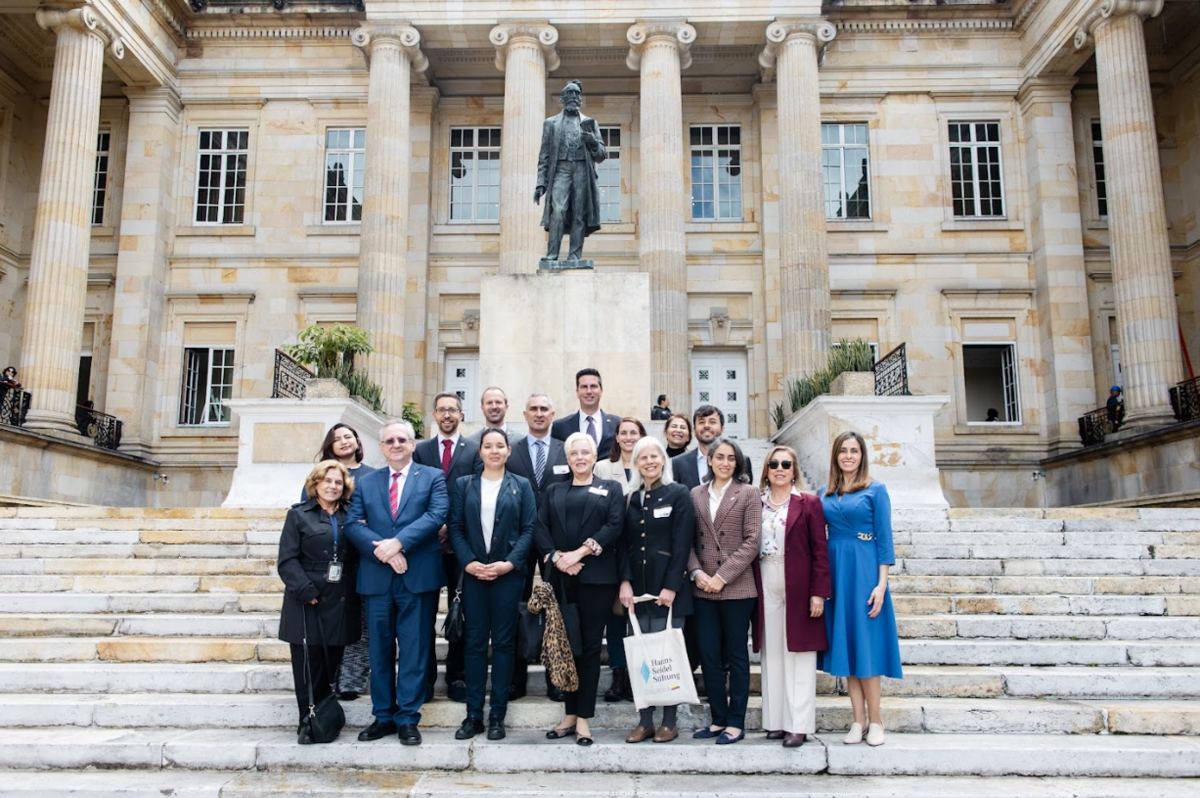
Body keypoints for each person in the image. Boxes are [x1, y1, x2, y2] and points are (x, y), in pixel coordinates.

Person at [346, 420, 449, 746]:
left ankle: (407, 717)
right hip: (377, 578)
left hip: (417, 577)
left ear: (413, 444)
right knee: (379, 650)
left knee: (414, 650)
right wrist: (387, 553)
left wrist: (399, 543)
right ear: (381, 447)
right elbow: (353, 523)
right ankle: (383, 715)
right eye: (389, 440)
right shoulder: (366, 482)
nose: (396, 445)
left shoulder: (432, 477)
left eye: (402, 439)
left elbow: (436, 516)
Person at [447, 428, 537, 741]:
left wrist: (509, 563)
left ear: (508, 451)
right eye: (488, 446)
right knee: (474, 644)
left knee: (503, 644)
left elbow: (529, 529)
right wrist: (468, 562)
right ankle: (473, 715)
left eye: (500, 446)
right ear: (480, 451)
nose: (494, 451)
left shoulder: (521, 485)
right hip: (473, 576)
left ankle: (497, 714)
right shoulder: (464, 484)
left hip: (507, 576)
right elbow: (455, 528)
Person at [536, 432, 624, 746]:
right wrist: (558, 558)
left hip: (596, 580)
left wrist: (579, 553)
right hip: (562, 580)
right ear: (568, 458)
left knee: (588, 648)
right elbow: (540, 527)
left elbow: (614, 525)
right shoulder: (553, 490)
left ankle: (584, 718)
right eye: (574, 453)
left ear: (594, 456)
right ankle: (570, 714)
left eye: (585, 452)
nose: (580, 457)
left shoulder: (610, 488)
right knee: (566, 647)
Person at [818, 430, 902, 748]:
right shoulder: (825, 492)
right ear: (836, 456)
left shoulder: (876, 489)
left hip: (865, 571)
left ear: (862, 455)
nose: (848, 456)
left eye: (854, 451)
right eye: (843, 450)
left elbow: (885, 539)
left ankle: (876, 720)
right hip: (837, 573)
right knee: (848, 649)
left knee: (866, 649)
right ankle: (858, 720)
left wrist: (881, 584)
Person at [617, 436, 694, 743]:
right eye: (643, 457)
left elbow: (682, 543)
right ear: (636, 463)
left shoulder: (679, 494)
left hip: (667, 588)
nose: (649, 461)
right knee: (642, 657)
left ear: (663, 459)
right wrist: (624, 581)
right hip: (637, 588)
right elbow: (623, 544)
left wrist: (672, 586)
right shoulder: (630, 498)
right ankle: (645, 720)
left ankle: (669, 721)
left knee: (667, 656)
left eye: (654, 456)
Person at [276, 460, 361, 735]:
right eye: (327, 481)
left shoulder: (351, 515)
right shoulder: (298, 515)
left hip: (340, 599)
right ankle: (307, 721)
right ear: (315, 484)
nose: (332, 486)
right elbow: (287, 560)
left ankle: (323, 719)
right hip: (307, 600)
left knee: (330, 663)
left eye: (338, 482)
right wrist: (306, 590)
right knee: (307, 666)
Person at [754, 445, 830, 748]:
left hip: (797, 579)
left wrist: (818, 593)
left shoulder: (809, 503)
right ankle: (775, 721)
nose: (780, 469)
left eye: (786, 464)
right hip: (765, 575)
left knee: (799, 653)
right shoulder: (757, 502)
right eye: (774, 464)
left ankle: (798, 725)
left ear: (794, 469)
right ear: (767, 469)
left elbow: (820, 551)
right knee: (772, 651)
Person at [687, 437, 760, 745]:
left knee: (736, 655)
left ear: (738, 462)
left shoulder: (749, 493)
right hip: (703, 587)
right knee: (708, 653)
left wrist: (722, 576)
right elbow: (687, 540)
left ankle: (736, 722)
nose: (725, 463)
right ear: (710, 460)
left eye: (731, 458)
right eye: (720, 457)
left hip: (737, 588)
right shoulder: (695, 493)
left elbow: (752, 541)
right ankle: (718, 719)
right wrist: (697, 572)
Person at [413, 392, 483, 703]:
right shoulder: (421, 450)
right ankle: (425, 680)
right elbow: (414, 492)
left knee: (461, 613)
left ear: (461, 414)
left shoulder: (474, 450)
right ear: (434, 414)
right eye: (441, 410)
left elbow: (476, 493)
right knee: (423, 617)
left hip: (461, 546)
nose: (447, 415)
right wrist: (434, 526)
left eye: (453, 410)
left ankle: (457, 677)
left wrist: (451, 526)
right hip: (427, 546)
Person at [298, 423, 375, 702]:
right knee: (330, 623)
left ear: (357, 441)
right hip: (326, 563)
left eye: (348, 436)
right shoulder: (320, 475)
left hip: (361, 560)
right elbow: (306, 515)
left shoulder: (372, 475)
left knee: (361, 625)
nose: (343, 441)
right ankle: (328, 678)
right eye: (336, 438)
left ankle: (351, 681)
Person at [506, 392, 573, 702]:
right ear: (524, 414)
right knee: (517, 609)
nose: (538, 413)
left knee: (554, 610)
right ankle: (515, 680)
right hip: (517, 540)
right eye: (533, 408)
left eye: (544, 408)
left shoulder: (565, 450)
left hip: (555, 541)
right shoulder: (512, 450)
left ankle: (555, 678)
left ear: (552, 414)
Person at [593, 417, 647, 703]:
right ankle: (618, 674)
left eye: (633, 433)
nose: (628, 437)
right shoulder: (602, 468)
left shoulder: (649, 463)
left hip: (642, 552)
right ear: (615, 437)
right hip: (611, 552)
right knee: (615, 616)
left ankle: (641, 677)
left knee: (641, 617)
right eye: (623, 433)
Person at [534, 79, 607, 263]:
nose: (574, 96)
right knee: (558, 210)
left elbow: (601, 155)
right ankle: (552, 254)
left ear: (580, 99)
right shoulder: (551, 123)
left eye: (577, 93)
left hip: (582, 170)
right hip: (561, 170)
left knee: (579, 214)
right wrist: (541, 183)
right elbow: (544, 156)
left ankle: (574, 256)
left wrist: (593, 142)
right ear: (562, 98)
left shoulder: (590, 123)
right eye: (570, 93)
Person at [671, 405, 753, 489]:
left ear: (722, 429)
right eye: (701, 422)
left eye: (712, 422)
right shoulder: (678, 463)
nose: (706, 426)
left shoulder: (742, 461)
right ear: (694, 430)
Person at [552, 368, 621, 455]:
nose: (589, 391)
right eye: (584, 387)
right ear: (577, 392)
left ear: (601, 390)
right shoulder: (560, 427)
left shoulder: (618, 424)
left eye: (593, 386)